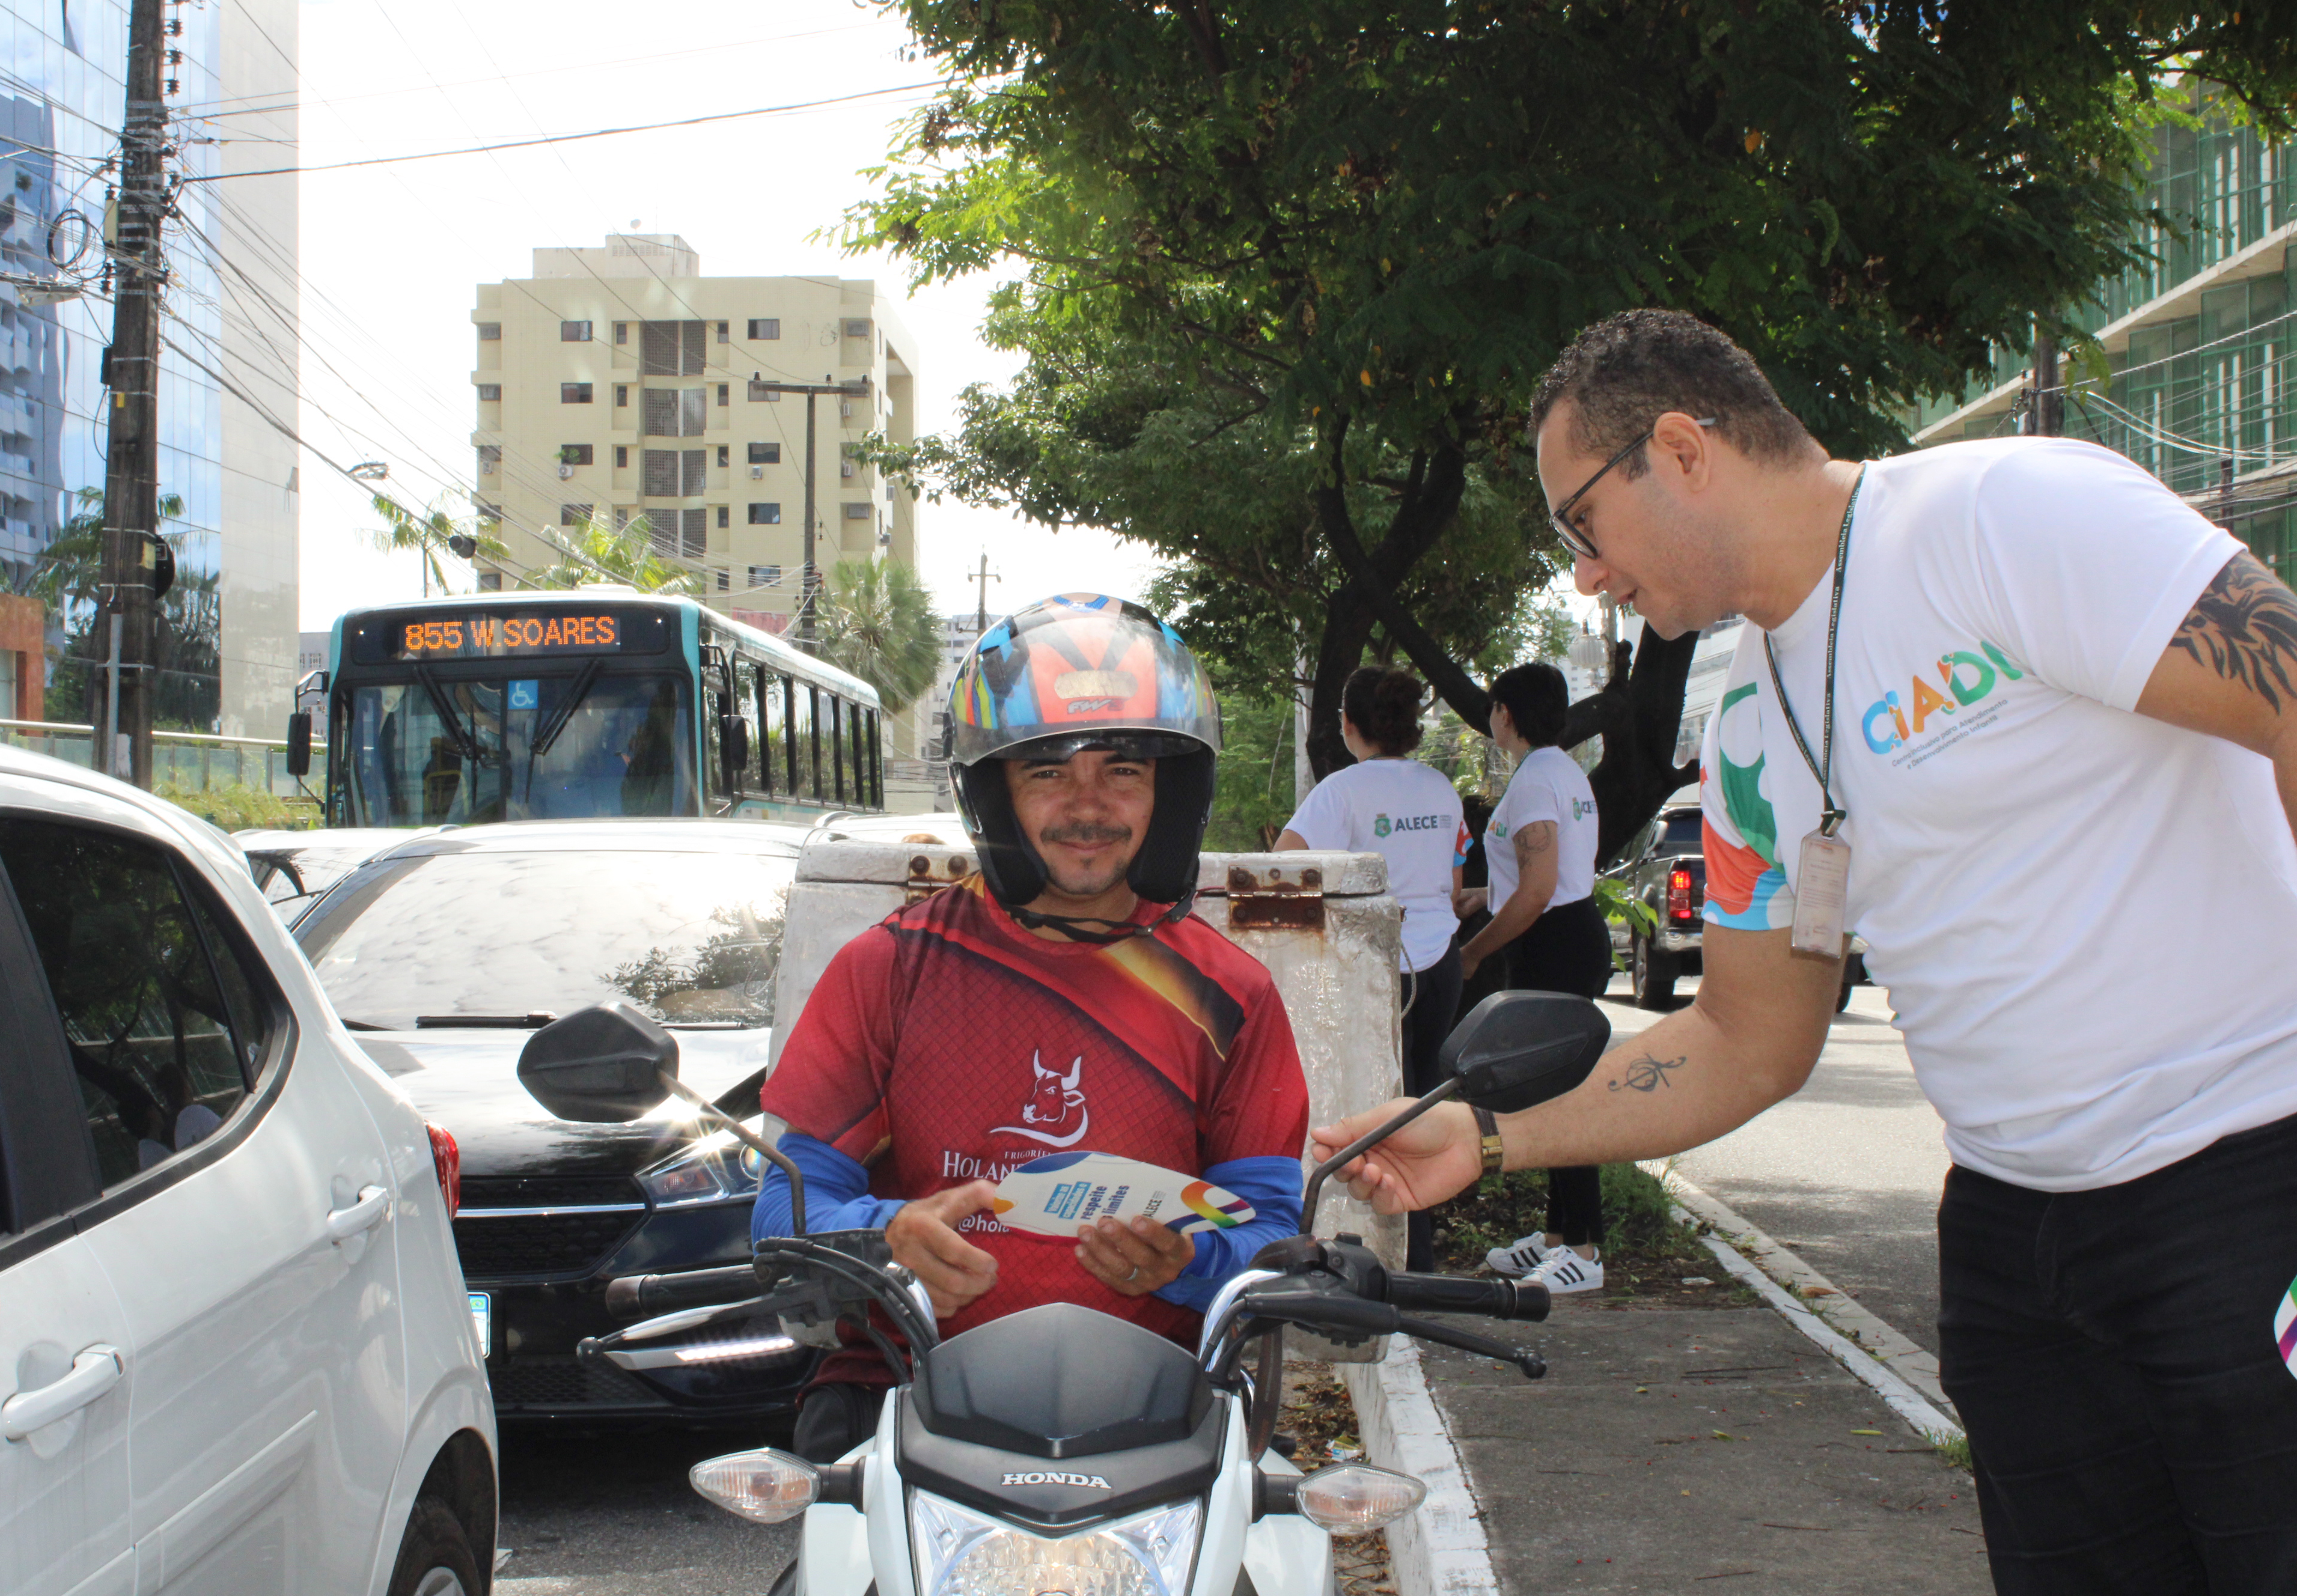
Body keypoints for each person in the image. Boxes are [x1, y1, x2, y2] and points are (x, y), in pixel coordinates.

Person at [1307, 308, 2297, 1592]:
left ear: (1681, 446)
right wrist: (1489, 1138)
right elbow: (1745, 1037)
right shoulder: (1753, 733)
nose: (1586, 578)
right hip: (2011, 1246)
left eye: (1581, 526)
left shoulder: (2001, 516)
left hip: (2242, 1183)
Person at [756, 594, 1311, 1462]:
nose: (1087, 805)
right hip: (908, 1394)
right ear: (994, 794)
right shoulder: (888, 970)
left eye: (1123, 770)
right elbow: (784, 1216)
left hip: (1159, 1406)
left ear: (1170, 791)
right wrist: (885, 1236)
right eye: (1047, 772)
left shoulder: (1227, 995)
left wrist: (1192, 1263)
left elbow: (1273, 1227)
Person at [1273, 663, 1466, 1270]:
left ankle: (1387, 1259)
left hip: (1381, 968)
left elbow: (1281, 866)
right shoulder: (1441, 788)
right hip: (1443, 964)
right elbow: (1455, 884)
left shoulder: (1340, 791)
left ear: (1350, 725)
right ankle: (1424, 1257)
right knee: (1426, 1103)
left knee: (1377, 1108)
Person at [1452, 662, 1612, 1295]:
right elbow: (1543, 878)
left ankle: (1585, 1248)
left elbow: (1541, 889)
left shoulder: (1535, 781)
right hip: (1567, 935)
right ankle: (1556, 1236)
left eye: (1494, 707)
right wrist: (1481, 899)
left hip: (1556, 945)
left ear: (1506, 714)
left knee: (1565, 1097)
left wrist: (1474, 953)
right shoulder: (1560, 771)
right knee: (1550, 1091)